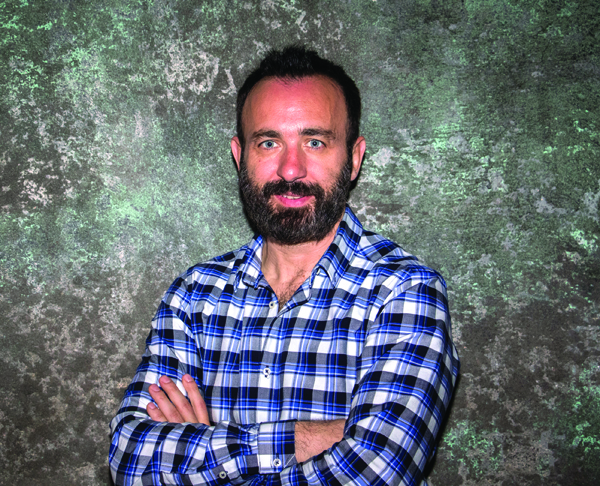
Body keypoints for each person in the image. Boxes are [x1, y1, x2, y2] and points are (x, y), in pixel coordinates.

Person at [109, 45, 460, 486]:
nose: (291, 169)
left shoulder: (404, 291)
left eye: (315, 142)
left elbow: (377, 470)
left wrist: (205, 449)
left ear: (353, 158)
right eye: (269, 142)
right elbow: (131, 459)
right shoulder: (194, 296)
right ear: (240, 155)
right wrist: (304, 439)